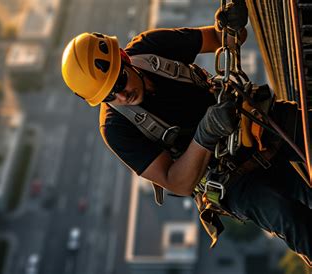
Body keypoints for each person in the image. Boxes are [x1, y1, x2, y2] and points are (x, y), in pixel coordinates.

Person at [60, 0, 312, 265]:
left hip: (248, 121)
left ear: (123, 58)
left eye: (120, 81)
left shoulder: (151, 49)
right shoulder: (115, 128)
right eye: (109, 96)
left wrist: (231, 24)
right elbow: (177, 182)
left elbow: (221, 39)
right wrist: (206, 134)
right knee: (289, 217)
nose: (122, 95)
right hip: (227, 177)